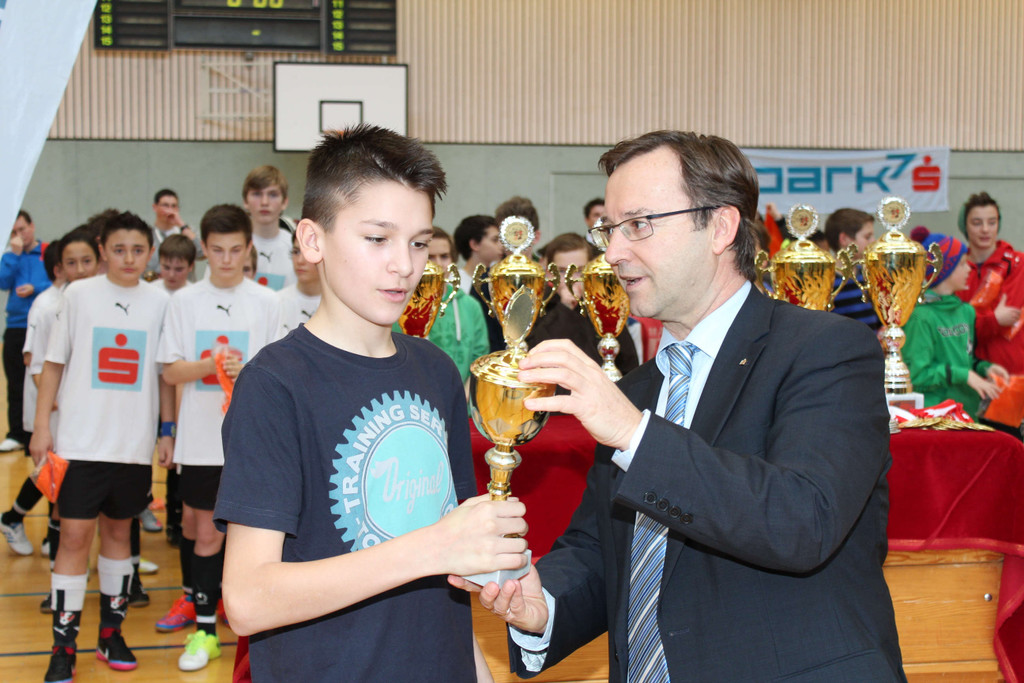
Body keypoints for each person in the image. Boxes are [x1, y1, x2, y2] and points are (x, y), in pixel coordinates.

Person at [454, 130, 905, 681]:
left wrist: (633, 434)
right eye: (609, 229)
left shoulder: (826, 350)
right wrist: (542, 605)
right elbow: (605, 549)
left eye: (639, 224)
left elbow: (802, 519)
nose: (613, 253)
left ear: (720, 227)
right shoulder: (638, 390)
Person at [214, 124, 528, 682]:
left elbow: (449, 576)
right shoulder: (274, 384)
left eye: (418, 243)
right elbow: (248, 598)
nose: (404, 265)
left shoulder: (436, 370)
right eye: (378, 239)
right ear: (312, 241)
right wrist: (432, 548)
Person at [30, 212, 174, 682]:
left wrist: (167, 430)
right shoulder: (79, 295)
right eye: (118, 250)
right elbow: (53, 364)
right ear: (102, 250)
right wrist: (41, 426)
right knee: (73, 537)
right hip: (79, 442)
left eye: (138, 250)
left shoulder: (161, 302)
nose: (129, 259)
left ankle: (111, 634)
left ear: (150, 253)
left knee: (119, 536)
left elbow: (164, 373)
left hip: (132, 446)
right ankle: (63, 646)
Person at [157, 203, 281, 671]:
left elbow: (280, 374)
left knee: (256, 538)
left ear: (248, 249)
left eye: (234, 249)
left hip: (253, 442)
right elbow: (170, 372)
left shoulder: (269, 302)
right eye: (217, 250)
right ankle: (206, 632)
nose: (226, 259)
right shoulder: (183, 301)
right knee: (203, 534)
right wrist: (210, 366)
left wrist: (247, 369)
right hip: (200, 440)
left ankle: (252, 626)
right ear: (203, 251)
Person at [903, 229, 1007, 420]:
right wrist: (964, 375)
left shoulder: (965, 311)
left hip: (968, 414)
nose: (969, 269)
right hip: (938, 418)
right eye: (961, 264)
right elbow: (917, 376)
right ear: (944, 270)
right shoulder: (920, 317)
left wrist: (984, 368)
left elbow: (963, 358)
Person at [0, 241, 62, 556]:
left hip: (64, 403)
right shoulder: (45, 304)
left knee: (60, 469)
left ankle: (50, 534)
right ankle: (13, 517)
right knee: (52, 467)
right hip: (49, 403)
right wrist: (51, 398)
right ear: (58, 268)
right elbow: (32, 359)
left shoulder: (75, 300)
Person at [526, 232, 639, 377]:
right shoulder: (538, 306)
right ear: (549, 273)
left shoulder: (604, 306)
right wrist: (564, 308)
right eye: (562, 271)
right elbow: (532, 352)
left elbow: (629, 364)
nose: (571, 279)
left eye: (579, 271)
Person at [957, 192, 1024, 376]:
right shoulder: (955, 269)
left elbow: (1009, 315)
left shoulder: (1018, 264)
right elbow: (954, 326)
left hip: (1011, 372)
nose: (985, 229)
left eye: (992, 222)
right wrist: (994, 319)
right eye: (977, 223)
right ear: (965, 226)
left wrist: (974, 320)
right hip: (968, 373)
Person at [1, 210, 51, 451]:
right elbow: (2, 281)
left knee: (43, 379)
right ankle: (16, 434)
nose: (19, 235)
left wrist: (36, 287)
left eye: (22, 229)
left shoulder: (47, 252)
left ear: (32, 226)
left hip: (43, 326)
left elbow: (59, 279)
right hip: (16, 325)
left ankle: (41, 429)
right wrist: (14, 255)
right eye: (14, 232)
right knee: (15, 382)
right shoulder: (10, 255)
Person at [420, 226, 488, 386]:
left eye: (444, 256)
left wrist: (464, 393)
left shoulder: (470, 306)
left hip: (461, 396)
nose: (438, 264)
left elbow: (480, 358)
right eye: (430, 257)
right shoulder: (403, 306)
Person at [824, 207, 881, 329]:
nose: (873, 241)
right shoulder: (828, 282)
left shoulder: (867, 275)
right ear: (844, 239)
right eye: (867, 236)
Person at [243, 165, 296, 291]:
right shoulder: (232, 246)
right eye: (257, 194)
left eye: (273, 195)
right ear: (245, 201)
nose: (264, 202)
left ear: (284, 202)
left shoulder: (297, 248)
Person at [148, 189, 202, 278]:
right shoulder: (148, 234)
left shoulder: (188, 231)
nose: (170, 210)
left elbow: (202, 253)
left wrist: (181, 225)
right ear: (155, 207)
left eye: (174, 206)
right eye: (165, 205)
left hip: (185, 285)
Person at [277, 230, 322, 336]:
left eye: (309, 251)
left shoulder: (339, 306)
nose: (300, 261)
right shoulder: (277, 301)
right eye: (296, 252)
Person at [452, 214, 502, 294]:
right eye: (495, 240)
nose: (502, 245)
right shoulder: (454, 282)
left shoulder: (500, 278)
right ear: (475, 244)